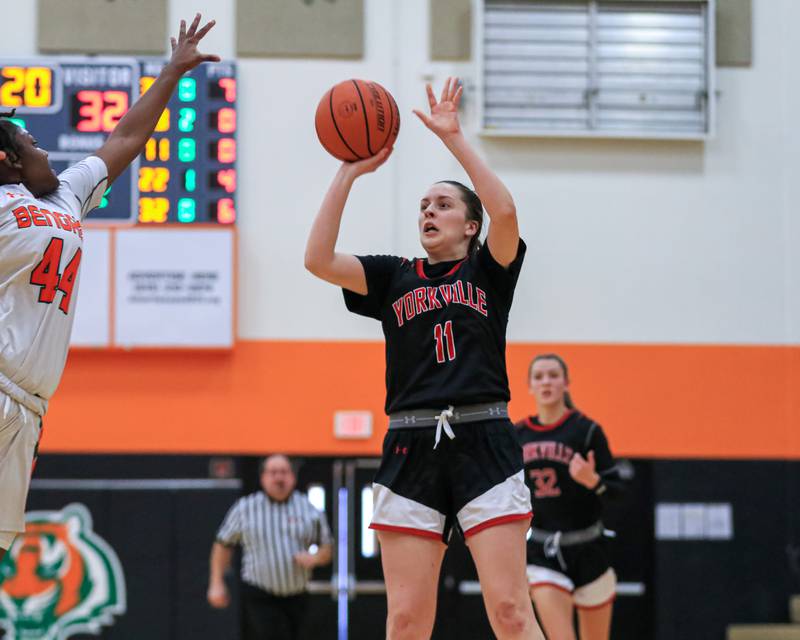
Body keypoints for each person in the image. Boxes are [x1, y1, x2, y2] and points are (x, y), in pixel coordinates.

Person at [305, 78, 543, 640]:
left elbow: (506, 210)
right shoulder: (393, 276)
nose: (428, 212)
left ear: (470, 225)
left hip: (484, 439)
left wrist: (453, 138)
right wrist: (348, 172)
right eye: (423, 206)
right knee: (406, 620)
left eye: (443, 205)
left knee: (511, 612)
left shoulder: (488, 270)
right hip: (410, 444)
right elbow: (317, 258)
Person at [0, 13, 220, 563]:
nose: (46, 152)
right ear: (7, 160)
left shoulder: (65, 197)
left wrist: (172, 72)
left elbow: (125, 137)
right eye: (33, 143)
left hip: (30, 405)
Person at [514, 354, 627, 640]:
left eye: (553, 375)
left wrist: (594, 481)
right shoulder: (517, 435)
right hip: (543, 550)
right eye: (539, 377)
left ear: (566, 382)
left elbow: (617, 491)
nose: (546, 382)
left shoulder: (587, 431)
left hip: (589, 547)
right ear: (530, 386)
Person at [208, 454, 332, 640]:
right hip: (260, 593)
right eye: (273, 472)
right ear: (263, 477)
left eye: (284, 472)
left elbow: (327, 548)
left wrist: (314, 558)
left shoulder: (308, 508)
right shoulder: (245, 508)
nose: (279, 477)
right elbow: (223, 544)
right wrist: (216, 582)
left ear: (293, 477)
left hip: (297, 595)